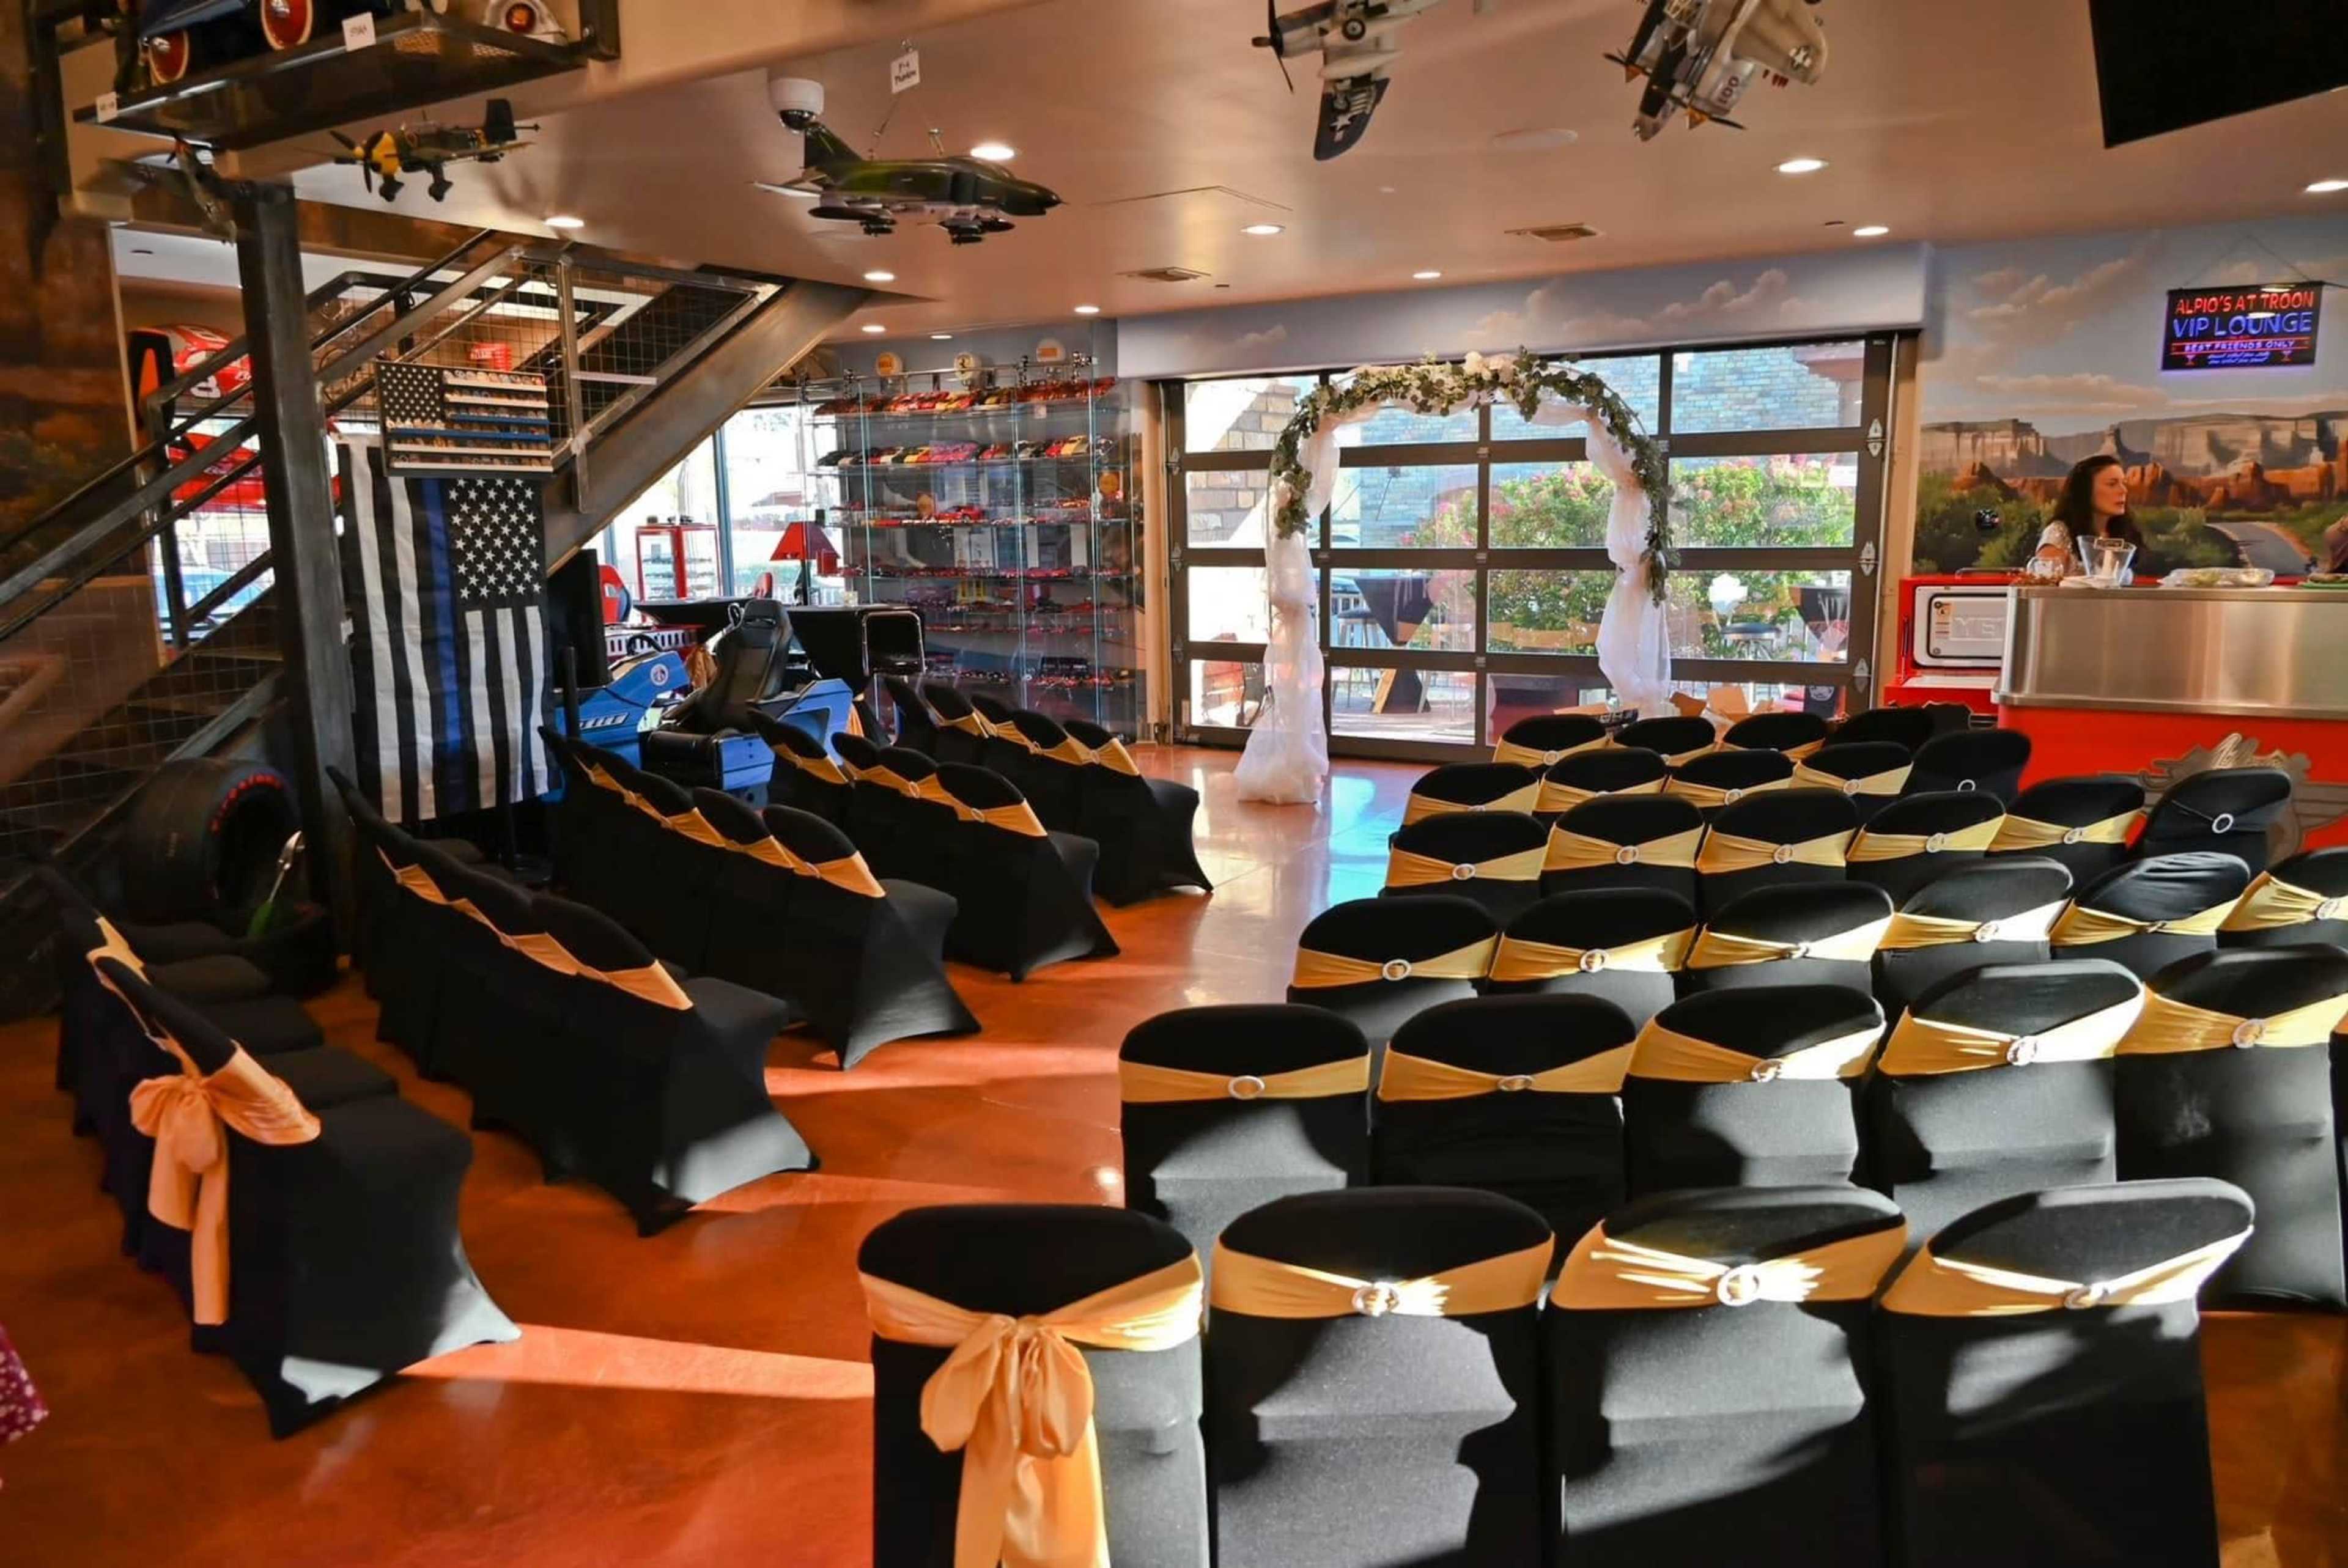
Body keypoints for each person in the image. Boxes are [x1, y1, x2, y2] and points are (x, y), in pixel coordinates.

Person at [2031, 455, 2149, 578]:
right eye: (2112, 484)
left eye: (2124, 483)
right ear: (2086, 490)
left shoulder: (2123, 532)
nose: (2123, 491)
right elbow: (2043, 583)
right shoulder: (2060, 532)